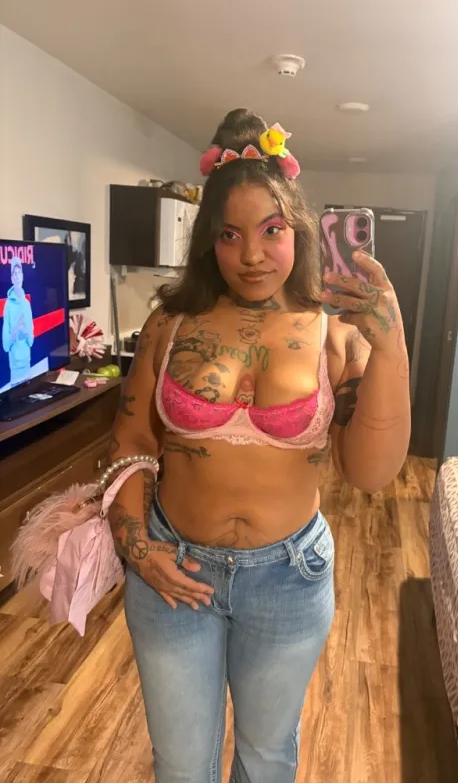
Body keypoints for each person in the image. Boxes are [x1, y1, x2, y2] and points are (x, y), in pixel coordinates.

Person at [107, 108, 411, 783]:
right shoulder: (169, 324)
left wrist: (391, 347)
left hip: (289, 580)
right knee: (180, 766)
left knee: (267, 760)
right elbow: (131, 441)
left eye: (272, 230)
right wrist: (138, 550)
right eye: (230, 234)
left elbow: (370, 472)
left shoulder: (337, 335)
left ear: (299, 230)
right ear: (208, 242)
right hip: (172, 572)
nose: (251, 255)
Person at [2, 255, 34, 386]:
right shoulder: (8, 306)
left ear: (22, 276)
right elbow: (5, 345)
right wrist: (15, 331)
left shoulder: (26, 304)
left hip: (27, 367)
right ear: (11, 278)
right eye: (14, 273)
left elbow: (31, 341)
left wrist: (26, 334)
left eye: (19, 272)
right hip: (15, 370)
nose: (16, 276)